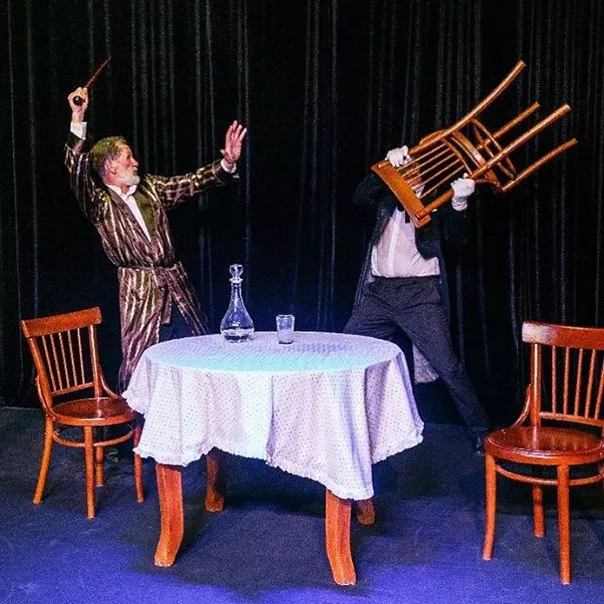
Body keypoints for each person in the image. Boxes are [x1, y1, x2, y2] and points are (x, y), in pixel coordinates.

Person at [65, 86, 247, 393]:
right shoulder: (100, 204)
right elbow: (76, 170)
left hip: (176, 287)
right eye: (128, 157)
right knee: (142, 366)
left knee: (199, 353)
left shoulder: (151, 188)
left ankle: (203, 418)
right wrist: (78, 117)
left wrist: (226, 164)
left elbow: (190, 183)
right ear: (110, 167)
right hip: (141, 293)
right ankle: (144, 421)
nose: (136, 162)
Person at [344, 145, 491, 454]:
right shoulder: (385, 198)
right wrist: (383, 166)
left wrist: (460, 203)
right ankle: (341, 426)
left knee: (448, 366)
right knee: (347, 351)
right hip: (379, 294)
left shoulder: (436, 203)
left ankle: (481, 431)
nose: (408, 175)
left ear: (424, 175)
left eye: (414, 171)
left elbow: (458, 239)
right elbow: (359, 198)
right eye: (404, 170)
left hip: (419, 296)